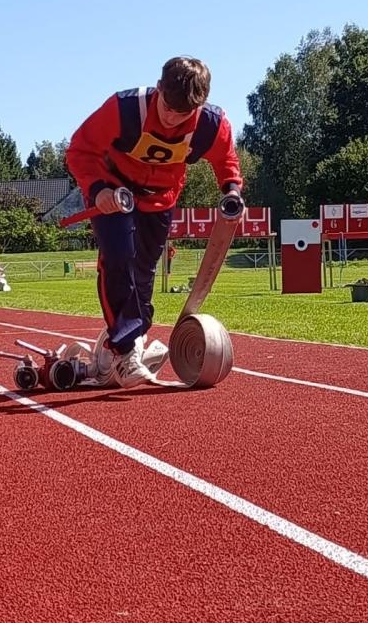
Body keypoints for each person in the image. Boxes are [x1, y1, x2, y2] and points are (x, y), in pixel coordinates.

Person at [66, 56, 243, 387]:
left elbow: (226, 160)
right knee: (118, 259)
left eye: (184, 112)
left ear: (201, 104)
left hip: (160, 199)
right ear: (158, 88)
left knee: (143, 272)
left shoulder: (212, 124)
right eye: (168, 107)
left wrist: (231, 189)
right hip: (113, 191)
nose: (173, 118)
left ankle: (124, 340)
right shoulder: (124, 109)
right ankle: (123, 349)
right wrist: (98, 188)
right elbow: (79, 150)